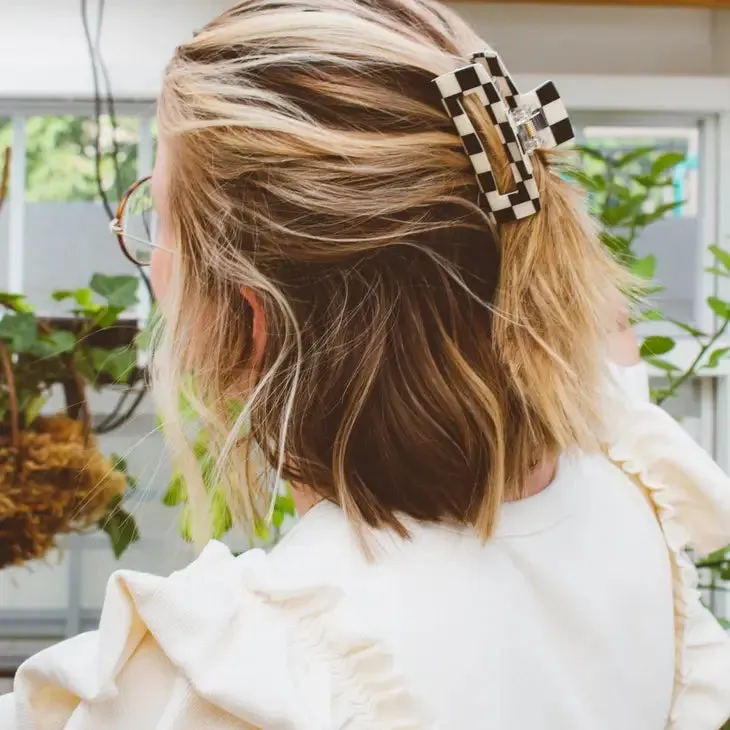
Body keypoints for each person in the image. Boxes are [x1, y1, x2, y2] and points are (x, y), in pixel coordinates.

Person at [3, 1, 730, 727]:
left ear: (253, 320)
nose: (151, 262)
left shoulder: (232, 690)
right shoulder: (631, 501)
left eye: (155, 221)